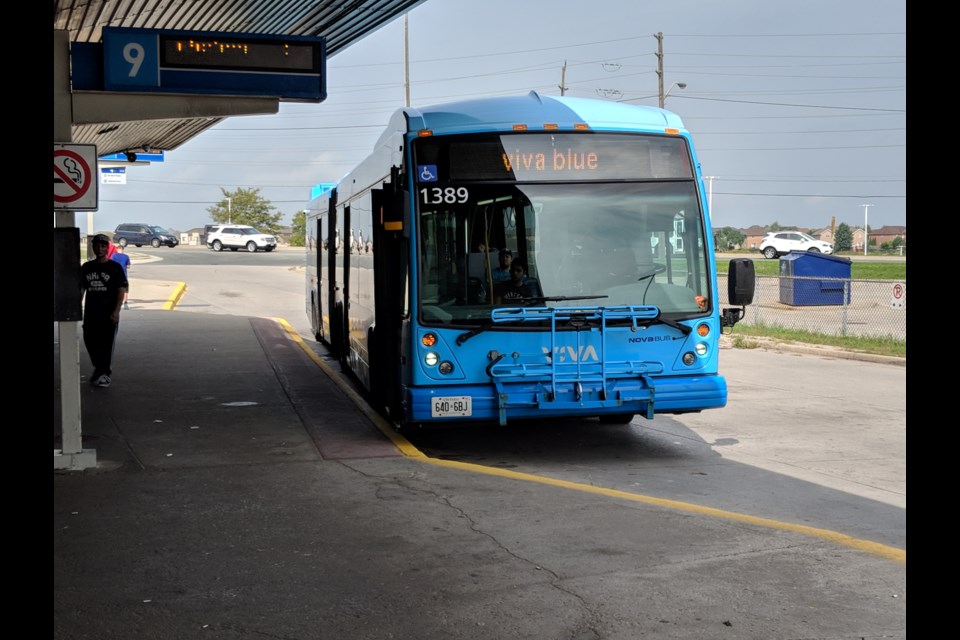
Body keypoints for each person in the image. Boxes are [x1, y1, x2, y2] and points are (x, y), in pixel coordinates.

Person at [81, 234, 128, 388]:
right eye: (97, 246)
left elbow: (121, 290)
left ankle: (105, 374)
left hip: (108, 314)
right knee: (89, 340)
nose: (100, 249)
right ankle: (99, 368)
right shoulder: (87, 267)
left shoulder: (114, 268)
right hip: (91, 314)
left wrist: (116, 311)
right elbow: (81, 289)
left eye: (103, 246)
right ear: (93, 247)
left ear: (107, 248)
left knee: (106, 345)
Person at [110, 243, 131, 310]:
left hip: (115, 276)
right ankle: (125, 303)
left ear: (117, 249)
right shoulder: (126, 256)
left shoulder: (113, 256)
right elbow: (128, 266)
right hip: (124, 276)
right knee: (125, 290)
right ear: (123, 249)